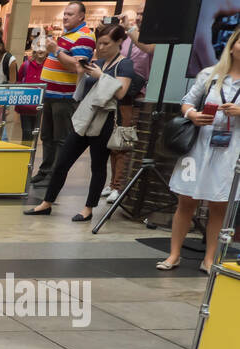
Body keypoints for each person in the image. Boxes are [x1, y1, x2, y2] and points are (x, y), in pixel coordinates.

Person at [25, 24, 134, 223]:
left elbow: (120, 92)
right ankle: (47, 203)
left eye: (106, 43)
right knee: (62, 161)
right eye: (99, 43)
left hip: (105, 120)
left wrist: (100, 76)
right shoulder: (97, 61)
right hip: (86, 117)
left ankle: (88, 208)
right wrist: (80, 72)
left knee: (98, 166)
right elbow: (81, 93)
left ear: (119, 42)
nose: (100, 47)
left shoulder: (124, 64)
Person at [158, 25, 240, 272]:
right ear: (232, 45)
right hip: (199, 146)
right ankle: (174, 255)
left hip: (230, 149)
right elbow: (187, 102)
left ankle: (209, 259)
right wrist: (193, 115)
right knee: (186, 201)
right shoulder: (209, 75)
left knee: (219, 205)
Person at [33, 2, 96, 188]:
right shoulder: (68, 34)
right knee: (47, 136)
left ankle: (55, 176)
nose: (65, 17)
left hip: (64, 96)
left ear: (81, 17)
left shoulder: (84, 36)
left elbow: (78, 67)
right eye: (65, 14)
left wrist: (56, 51)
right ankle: (45, 171)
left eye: (70, 14)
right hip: (51, 95)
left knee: (60, 139)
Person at [105, 11, 154, 203]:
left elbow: (149, 49)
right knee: (113, 142)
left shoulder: (148, 37)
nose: (141, 17)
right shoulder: (126, 38)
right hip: (117, 93)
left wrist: (130, 28)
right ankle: (112, 184)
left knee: (123, 141)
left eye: (143, 13)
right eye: (139, 13)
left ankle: (119, 186)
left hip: (135, 95)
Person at [16, 41, 45, 144]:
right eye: (39, 47)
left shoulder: (48, 67)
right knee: (27, 132)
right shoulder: (26, 65)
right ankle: (25, 154)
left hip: (39, 106)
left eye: (44, 47)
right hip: (25, 105)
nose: (41, 50)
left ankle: (29, 154)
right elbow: (18, 81)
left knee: (35, 133)